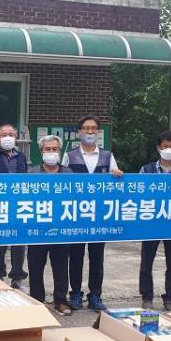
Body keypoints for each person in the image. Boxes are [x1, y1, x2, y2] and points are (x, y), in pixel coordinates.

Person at [62, 114, 124, 312]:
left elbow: (116, 180)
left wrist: (117, 174)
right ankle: (75, 293)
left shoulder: (107, 156)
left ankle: (95, 295)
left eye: (93, 128)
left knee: (97, 257)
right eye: (86, 128)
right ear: (79, 132)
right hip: (76, 215)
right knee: (76, 256)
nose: (90, 132)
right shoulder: (69, 156)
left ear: (98, 132)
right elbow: (61, 183)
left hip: (99, 215)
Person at [138, 131, 171, 312]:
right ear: (158, 148)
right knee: (146, 262)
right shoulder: (146, 170)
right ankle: (147, 297)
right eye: (165, 146)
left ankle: (169, 298)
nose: (168, 150)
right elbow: (137, 193)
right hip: (151, 222)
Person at [28, 135, 73, 316]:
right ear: (41, 152)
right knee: (35, 266)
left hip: (61, 228)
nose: (51, 152)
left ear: (59, 152)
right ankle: (37, 300)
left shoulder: (69, 173)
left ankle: (60, 300)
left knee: (61, 266)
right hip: (37, 229)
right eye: (48, 149)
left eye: (55, 149)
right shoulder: (30, 173)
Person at [0, 123, 28, 290]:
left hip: (18, 206)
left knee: (18, 244)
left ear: (16, 138)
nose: (8, 138)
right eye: (4, 135)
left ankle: (17, 278)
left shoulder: (21, 157)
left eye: (11, 134)